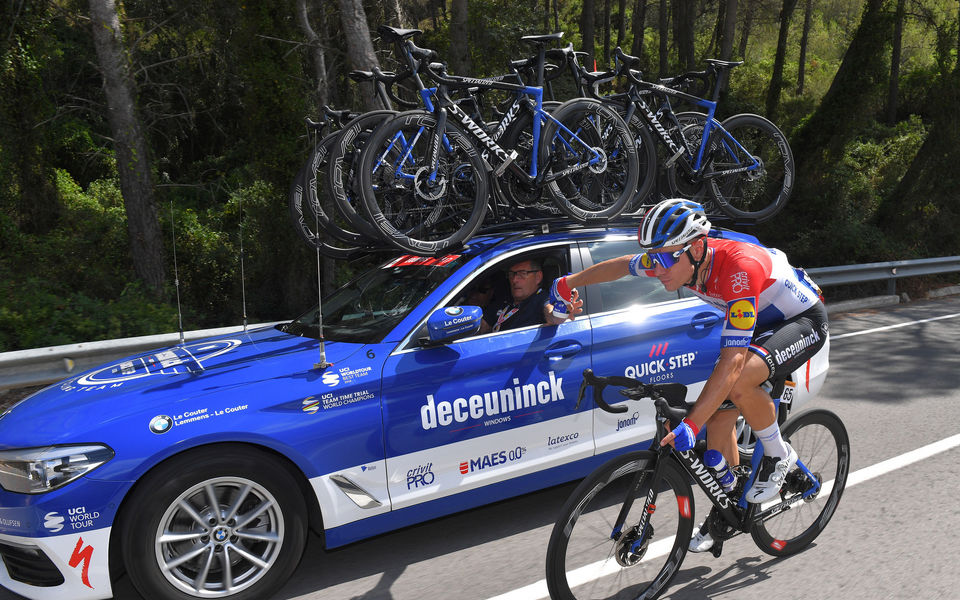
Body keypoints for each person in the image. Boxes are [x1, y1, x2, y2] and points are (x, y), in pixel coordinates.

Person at [547, 198, 828, 552]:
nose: (657, 268)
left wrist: (690, 424)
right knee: (719, 424)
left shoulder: (739, 270)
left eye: (664, 259)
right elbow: (619, 267)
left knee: (738, 383)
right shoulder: (673, 258)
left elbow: (734, 361)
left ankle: (777, 455)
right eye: (653, 258)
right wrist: (567, 282)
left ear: (696, 247)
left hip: (800, 322)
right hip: (760, 326)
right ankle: (731, 507)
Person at [479, 258, 572, 333]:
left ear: (538, 277)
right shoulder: (505, 299)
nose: (514, 280)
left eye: (522, 274)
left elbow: (551, 314)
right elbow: (482, 326)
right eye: (512, 274)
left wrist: (560, 313)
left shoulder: (542, 299)